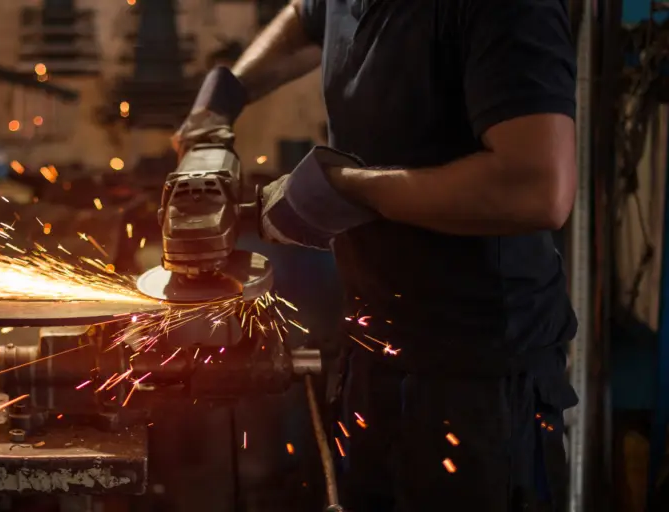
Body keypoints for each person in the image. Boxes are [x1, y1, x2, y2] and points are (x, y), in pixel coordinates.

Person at [173, 0, 581, 510]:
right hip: (374, 353)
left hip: (476, 387)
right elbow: (307, 21)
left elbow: (536, 188)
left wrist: (344, 189)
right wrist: (223, 95)